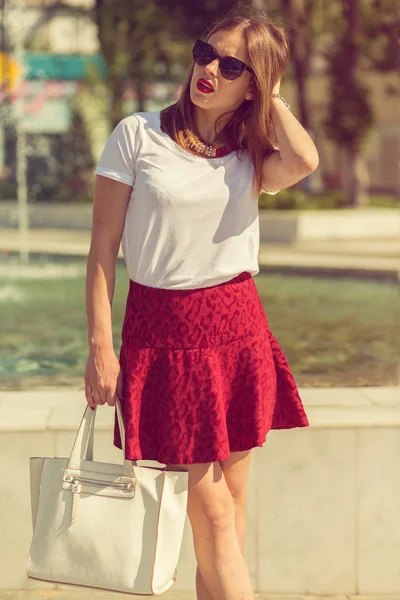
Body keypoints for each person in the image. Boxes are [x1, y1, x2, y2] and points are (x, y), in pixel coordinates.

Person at [85, 9, 318, 600]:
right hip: (164, 333)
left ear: (252, 85)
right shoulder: (137, 135)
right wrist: (100, 349)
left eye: (231, 65)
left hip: (237, 327)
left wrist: (274, 98)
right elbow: (102, 250)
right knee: (212, 514)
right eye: (204, 53)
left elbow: (307, 161)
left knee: (230, 514)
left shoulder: (250, 151)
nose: (208, 69)